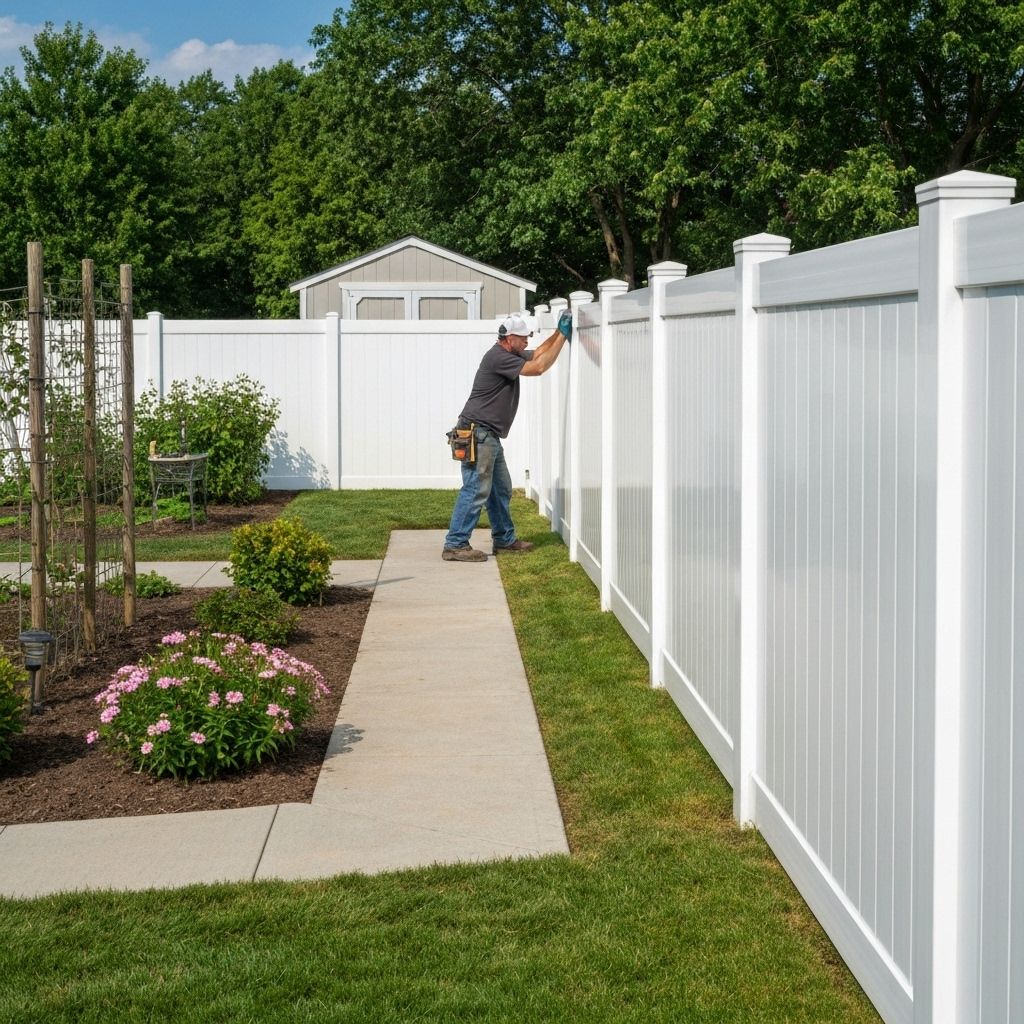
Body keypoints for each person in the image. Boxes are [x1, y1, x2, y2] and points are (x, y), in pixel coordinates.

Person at [442, 309, 573, 562]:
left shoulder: (509, 352)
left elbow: (538, 353)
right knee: (475, 489)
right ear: (509, 337)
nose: (527, 342)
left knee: (500, 489)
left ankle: (504, 539)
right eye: (523, 338)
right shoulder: (498, 357)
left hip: (486, 435)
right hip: (478, 433)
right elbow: (539, 367)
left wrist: (559, 332)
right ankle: (455, 544)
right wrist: (564, 337)